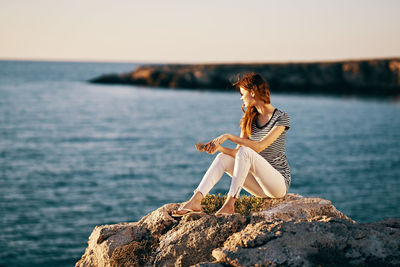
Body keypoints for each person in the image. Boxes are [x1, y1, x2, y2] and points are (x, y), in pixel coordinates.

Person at [172, 72, 291, 217]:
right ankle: (195, 200)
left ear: (252, 92)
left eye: (243, 93)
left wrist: (228, 136)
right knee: (224, 157)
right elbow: (239, 155)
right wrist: (219, 148)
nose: (241, 97)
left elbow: (260, 146)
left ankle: (230, 204)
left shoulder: (281, 118)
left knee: (246, 151)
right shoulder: (249, 118)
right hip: (259, 187)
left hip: (277, 185)